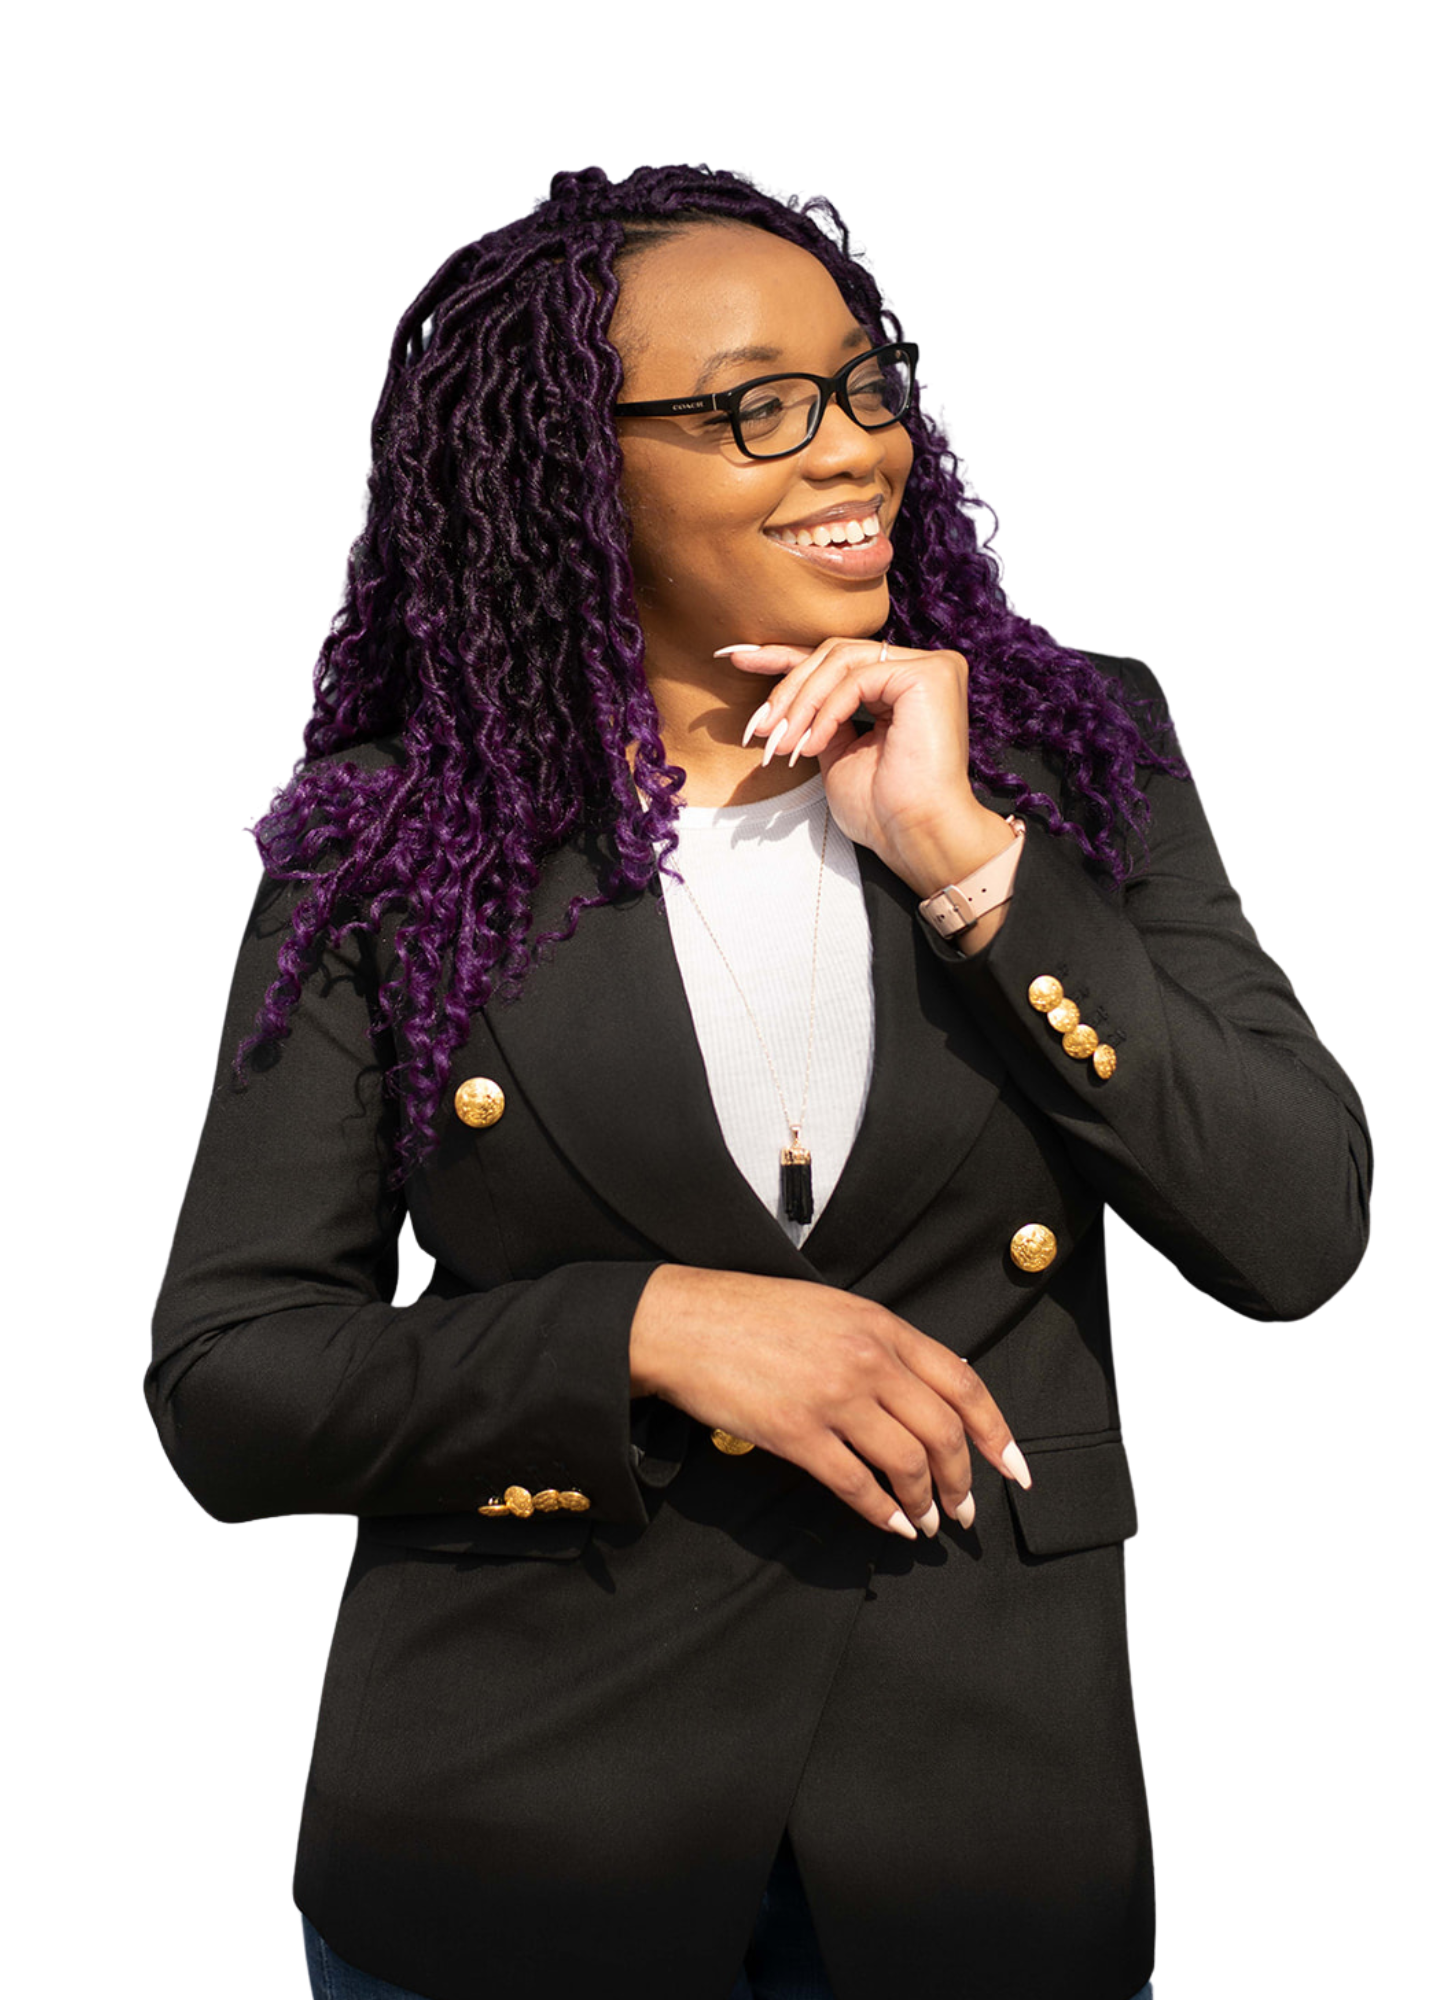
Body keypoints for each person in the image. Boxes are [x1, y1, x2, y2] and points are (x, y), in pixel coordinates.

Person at [147, 162, 1370, 2000]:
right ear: (578, 475)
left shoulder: (1077, 756)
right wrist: (644, 1328)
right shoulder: (391, 846)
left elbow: (1297, 1230)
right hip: (515, 1841)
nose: (855, 448)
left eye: (865, 387)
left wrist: (966, 859)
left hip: (985, 1840)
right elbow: (229, 1383)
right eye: (757, 409)